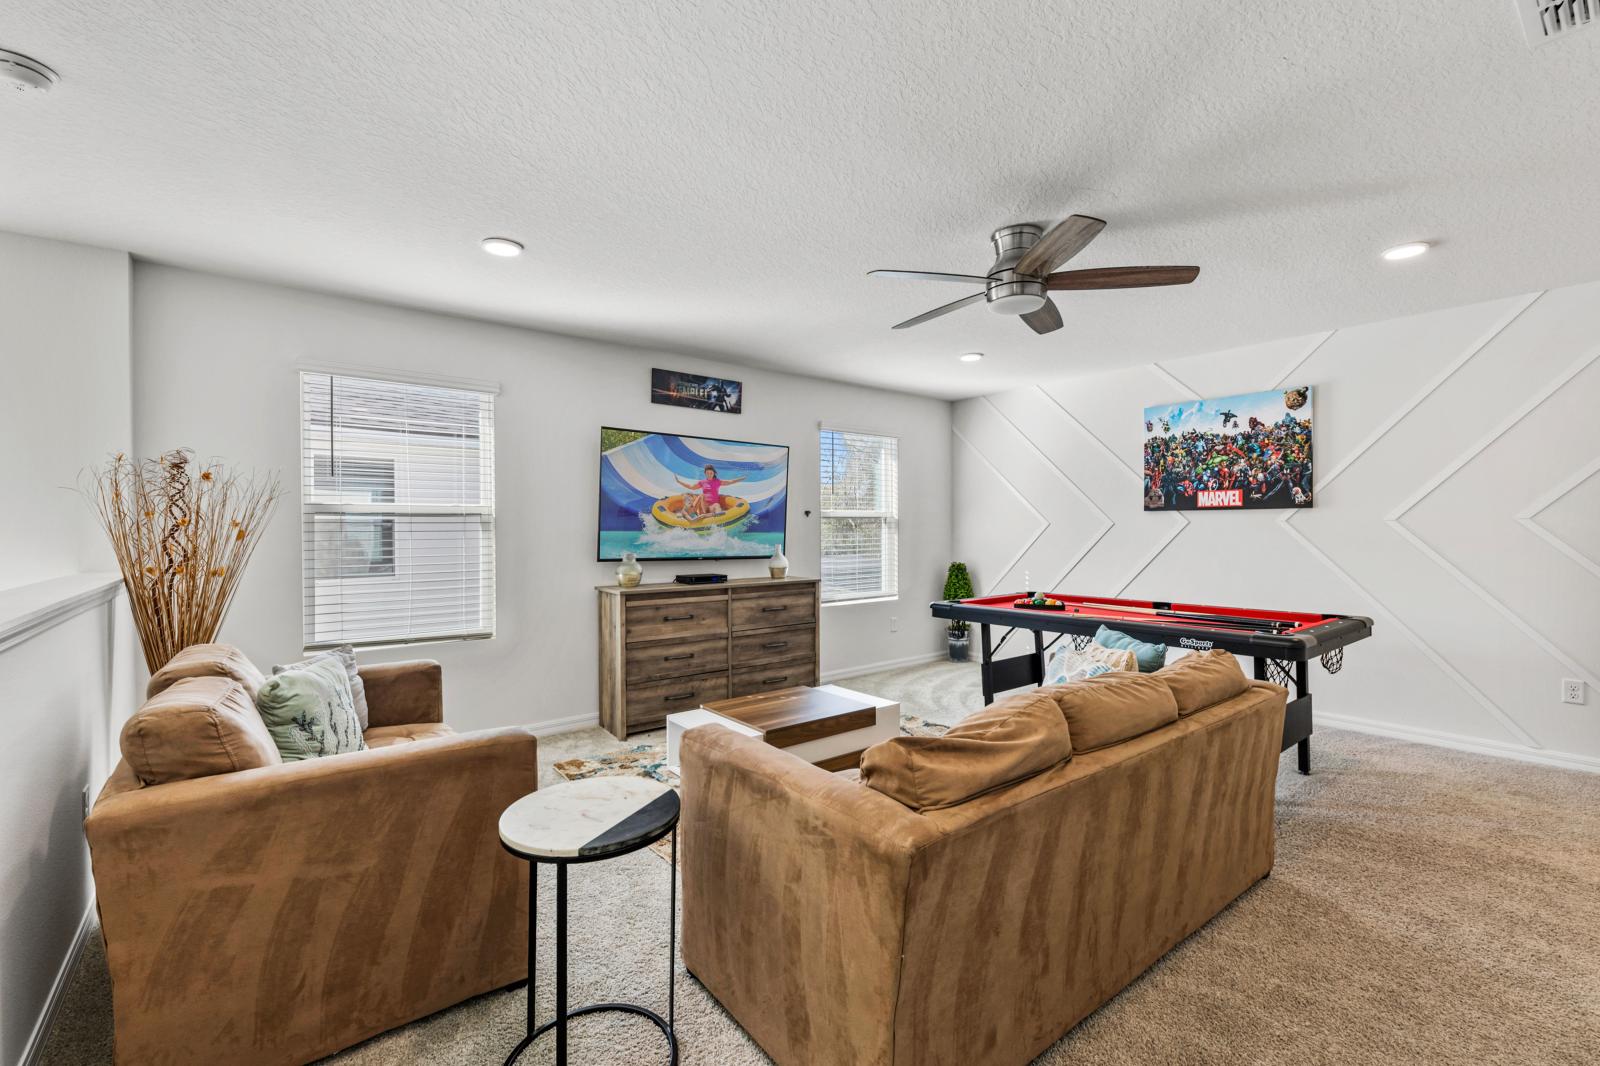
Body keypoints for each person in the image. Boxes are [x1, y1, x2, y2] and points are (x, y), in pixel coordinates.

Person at [675, 465, 747, 519]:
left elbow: (730, 482)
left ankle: (720, 518)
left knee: (717, 505)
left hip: (712, 506)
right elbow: (691, 487)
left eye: (711, 473)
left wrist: (741, 478)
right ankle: (686, 513)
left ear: (713, 473)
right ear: (705, 473)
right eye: (707, 473)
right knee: (701, 496)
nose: (709, 474)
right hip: (704, 506)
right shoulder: (702, 482)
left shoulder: (717, 481)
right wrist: (679, 482)